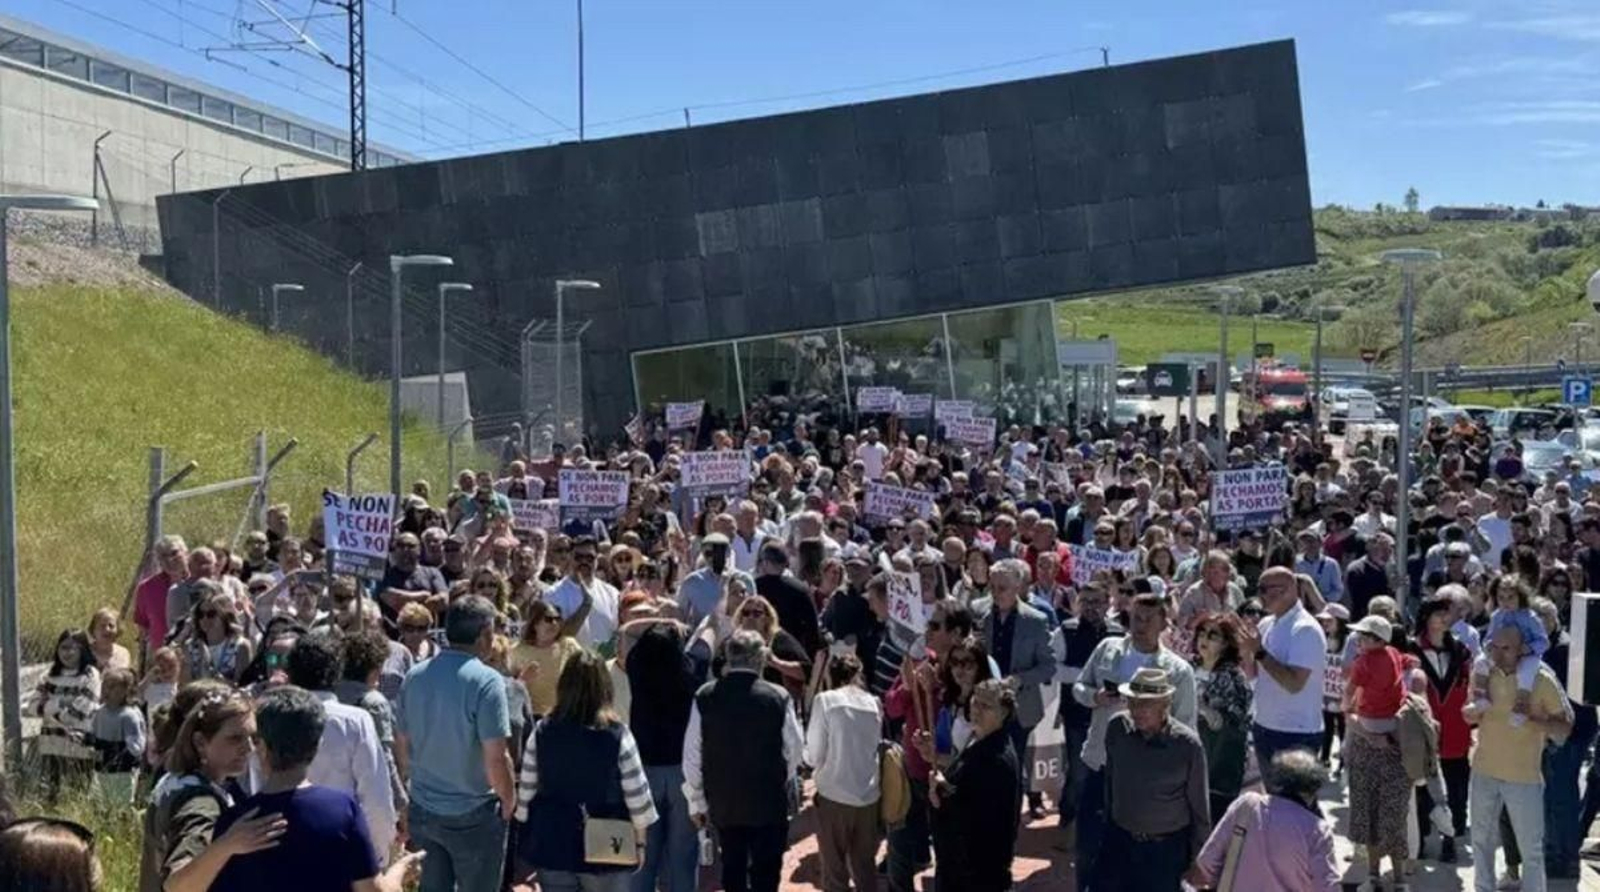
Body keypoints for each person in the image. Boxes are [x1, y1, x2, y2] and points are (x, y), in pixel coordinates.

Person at [209, 686, 424, 892]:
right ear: (318, 744)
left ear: (261, 747)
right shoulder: (342, 811)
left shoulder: (235, 823)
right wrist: (400, 871)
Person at [1071, 592, 1196, 890]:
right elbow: (1079, 685)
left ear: (1164, 623)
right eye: (1135, 616)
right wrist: (1095, 697)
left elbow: (1186, 730)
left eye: (1148, 618)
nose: (1139, 624)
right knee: (1088, 846)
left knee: (1129, 858)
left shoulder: (1179, 671)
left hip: (1145, 780)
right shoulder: (1107, 649)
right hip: (1099, 763)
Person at [395, 596, 515, 892]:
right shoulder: (488, 681)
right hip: (474, 813)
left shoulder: (415, 675)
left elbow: (401, 744)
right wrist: (509, 800)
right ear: (486, 633)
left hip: (424, 806)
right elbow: (496, 757)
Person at [514, 651, 658, 892]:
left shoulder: (542, 731)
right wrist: (640, 844)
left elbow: (527, 790)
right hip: (606, 844)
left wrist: (524, 827)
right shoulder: (617, 734)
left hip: (554, 840)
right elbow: (637, 796)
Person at [682, 629, 804, 892]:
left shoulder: (705, 695)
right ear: (761, 658)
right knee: (766, 873)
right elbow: (794, 750)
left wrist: (697, 799)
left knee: (732, 867)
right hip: (768, 799)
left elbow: (692, 755)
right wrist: (780, 777)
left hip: (724, 800)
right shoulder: (778, 696)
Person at [1465, 623, 1575, 892]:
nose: (1498, 654)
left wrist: (1533, 720)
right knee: (1480, 842)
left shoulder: (1541, 678)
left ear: (1522, 650)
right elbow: (1474, 711)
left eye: (1506, 649)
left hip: (1523, 777)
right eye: (1494, 647)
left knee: (1532, 852)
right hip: (1484, 770)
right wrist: (1470, 714)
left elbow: (1565, 726)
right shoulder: (1481, 671)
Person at [145, 689, 285, 892]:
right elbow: (177, 886)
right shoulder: (201, 803)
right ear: (200, 742)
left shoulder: (175, 779)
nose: (249, 748)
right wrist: (227, 845)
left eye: (252, 738)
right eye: (235, 738)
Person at [282, 629, 397, 863]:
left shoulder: (271, 716)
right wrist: (377, 857)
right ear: (337, 673)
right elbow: (376, 798)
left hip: (285, 849)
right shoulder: (355, 721)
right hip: (342, 849)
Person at [1095, 666, 1209, 892]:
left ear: (1165, 704)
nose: (1136, 710)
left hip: (1164, 853)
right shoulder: (1117, 728)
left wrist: (1199, 857)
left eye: (1145, 704)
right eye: (1132, 702)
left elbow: (1199, 808)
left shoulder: (1187, 745)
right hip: (1120, 843)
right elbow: (1110, 782)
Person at [1188, 749, 1340, 892]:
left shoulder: (1246, 806)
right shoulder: (1317, 830)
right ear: (1312, 792)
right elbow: (1328, 887)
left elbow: (1204, 869)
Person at [625, 621, 704, 892]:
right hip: (682, 773)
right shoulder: (689, 672)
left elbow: (626, 630)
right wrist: (679, 625)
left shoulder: (636, 668)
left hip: (644, 772)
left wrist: (659, 620)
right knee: (683, 855)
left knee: (643, 854)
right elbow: (707, 639)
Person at [977, 558, 1055, 813]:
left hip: (1020, 707)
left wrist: (1019, 679)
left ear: (1017, 588)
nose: (996, 594)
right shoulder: (980, 614)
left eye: (1003, 588)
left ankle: (1009, 820)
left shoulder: (1036, 620)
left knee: (1013, 763)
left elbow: (1048, 667)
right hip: (986, 705)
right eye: (993, 587)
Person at [928, 679, 1022, 892]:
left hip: (976, 875)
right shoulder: (979, 738)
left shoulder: (996, 758)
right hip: (960, 867)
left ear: (1004, 712)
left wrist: (943, 791)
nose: (977, 709)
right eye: (975, 701)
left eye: (986, 706)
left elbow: (978, 817)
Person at [804, 652, 882, 892]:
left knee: (835, 872)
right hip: (868, 797)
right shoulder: (874, 703)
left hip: (834, 796)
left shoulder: (825, 701)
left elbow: (815, 754)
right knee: (865, 868)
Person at [1240, 566, 1327, 770]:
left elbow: (1294, 684)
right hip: (1264, 725)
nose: (1259, 595)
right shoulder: (1266, 624)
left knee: (1295, 801)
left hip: (1296, 733)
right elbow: (1253, 675)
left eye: (1264, 589)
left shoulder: (1305, 629)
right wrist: (1246, 652)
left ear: (1287, 590)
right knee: (1274, 799)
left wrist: (1260, 652)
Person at [1192, 613, 1251, 819]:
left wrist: (1202, 707)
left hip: (1219, 763)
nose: (1204, 639)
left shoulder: (1233, 676)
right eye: (1201, 633)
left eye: (1212, 635)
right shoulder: (1190, 667)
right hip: (1189, 760)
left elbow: (1232, 723)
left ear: (1226, 643)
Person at [32, 628, 101, 803]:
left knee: (78, 792)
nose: (67, 652)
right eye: (63, 647)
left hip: (78, 741)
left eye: (73, 648)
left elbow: (81, 711)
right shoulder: (48, 676)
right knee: (52, 792)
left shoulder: (89, 674)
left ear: (83, 650)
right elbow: (33, 707)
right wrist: (62, 704)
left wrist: (51, 712)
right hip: (51, 742)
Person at [547, 536, 622, 654]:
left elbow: (617, 633)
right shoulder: (553, 594)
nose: (584, 562)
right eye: (579, 557)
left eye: (589, 558)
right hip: (568, 667)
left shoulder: (611, 593)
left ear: (597, 560)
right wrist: (585, 606)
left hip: (602, 666)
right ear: (570, 558)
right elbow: (556, 636)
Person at [753, 542, 824, 658]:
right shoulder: (801, 588)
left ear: (765, 562)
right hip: (793, 653)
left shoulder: (755, 587)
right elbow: (812, 628)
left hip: (760, 651)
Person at [88, 667, 147, 804]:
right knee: (100, 801)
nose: (107, 691)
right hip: (101, 767)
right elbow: (94, 736)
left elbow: (136, 747)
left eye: (113, 687)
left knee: (120, 803)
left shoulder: (128, 715)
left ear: (126, 690)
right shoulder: (99, 712)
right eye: (105, 686)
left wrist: (122, 755)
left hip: (122, 770)